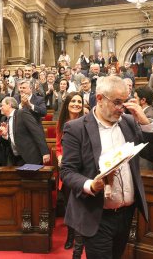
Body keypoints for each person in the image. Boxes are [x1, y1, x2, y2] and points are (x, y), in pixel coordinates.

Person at [60, 76, 153, 259]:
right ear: (99, 98)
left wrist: (145, 123)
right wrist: (90, 185)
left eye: (125, 102)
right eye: (116, 102)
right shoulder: (75, 128)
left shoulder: (129, 122)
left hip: (126, 213)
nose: (121, 108)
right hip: (98, 215)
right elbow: (67, 171)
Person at [55, 92, 84, 256]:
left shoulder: (87, 121)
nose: (76, 104)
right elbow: (59, 145)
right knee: (69, 206)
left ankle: (80, 239)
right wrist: (59, 157)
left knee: (81, 205)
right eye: (73, 101)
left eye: (79, 101)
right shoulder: (62, 123)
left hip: (81, 169)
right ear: (67, 104)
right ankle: (70, 235)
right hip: (66, 168)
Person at [0, 97, 50, 165]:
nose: (0, 108)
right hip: (16, 159)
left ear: (9, 104)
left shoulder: (22, 113)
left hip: (31, 158)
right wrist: (5, 136)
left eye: (2, 105)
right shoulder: (5, 120)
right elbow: (14, 139)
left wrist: (45, 152)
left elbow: (37, 131)